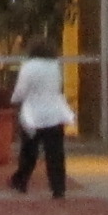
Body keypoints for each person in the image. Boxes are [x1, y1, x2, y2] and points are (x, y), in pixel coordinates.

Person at [6, 36, 73, 199]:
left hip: (33, 114)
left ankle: (20, 181)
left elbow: (21, 90)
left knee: (29, 151)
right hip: (54, 113)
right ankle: (58, 188)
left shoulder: (28, 66)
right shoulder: (55, 66)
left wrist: (14, 99)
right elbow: (58, 87)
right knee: (55, 153)